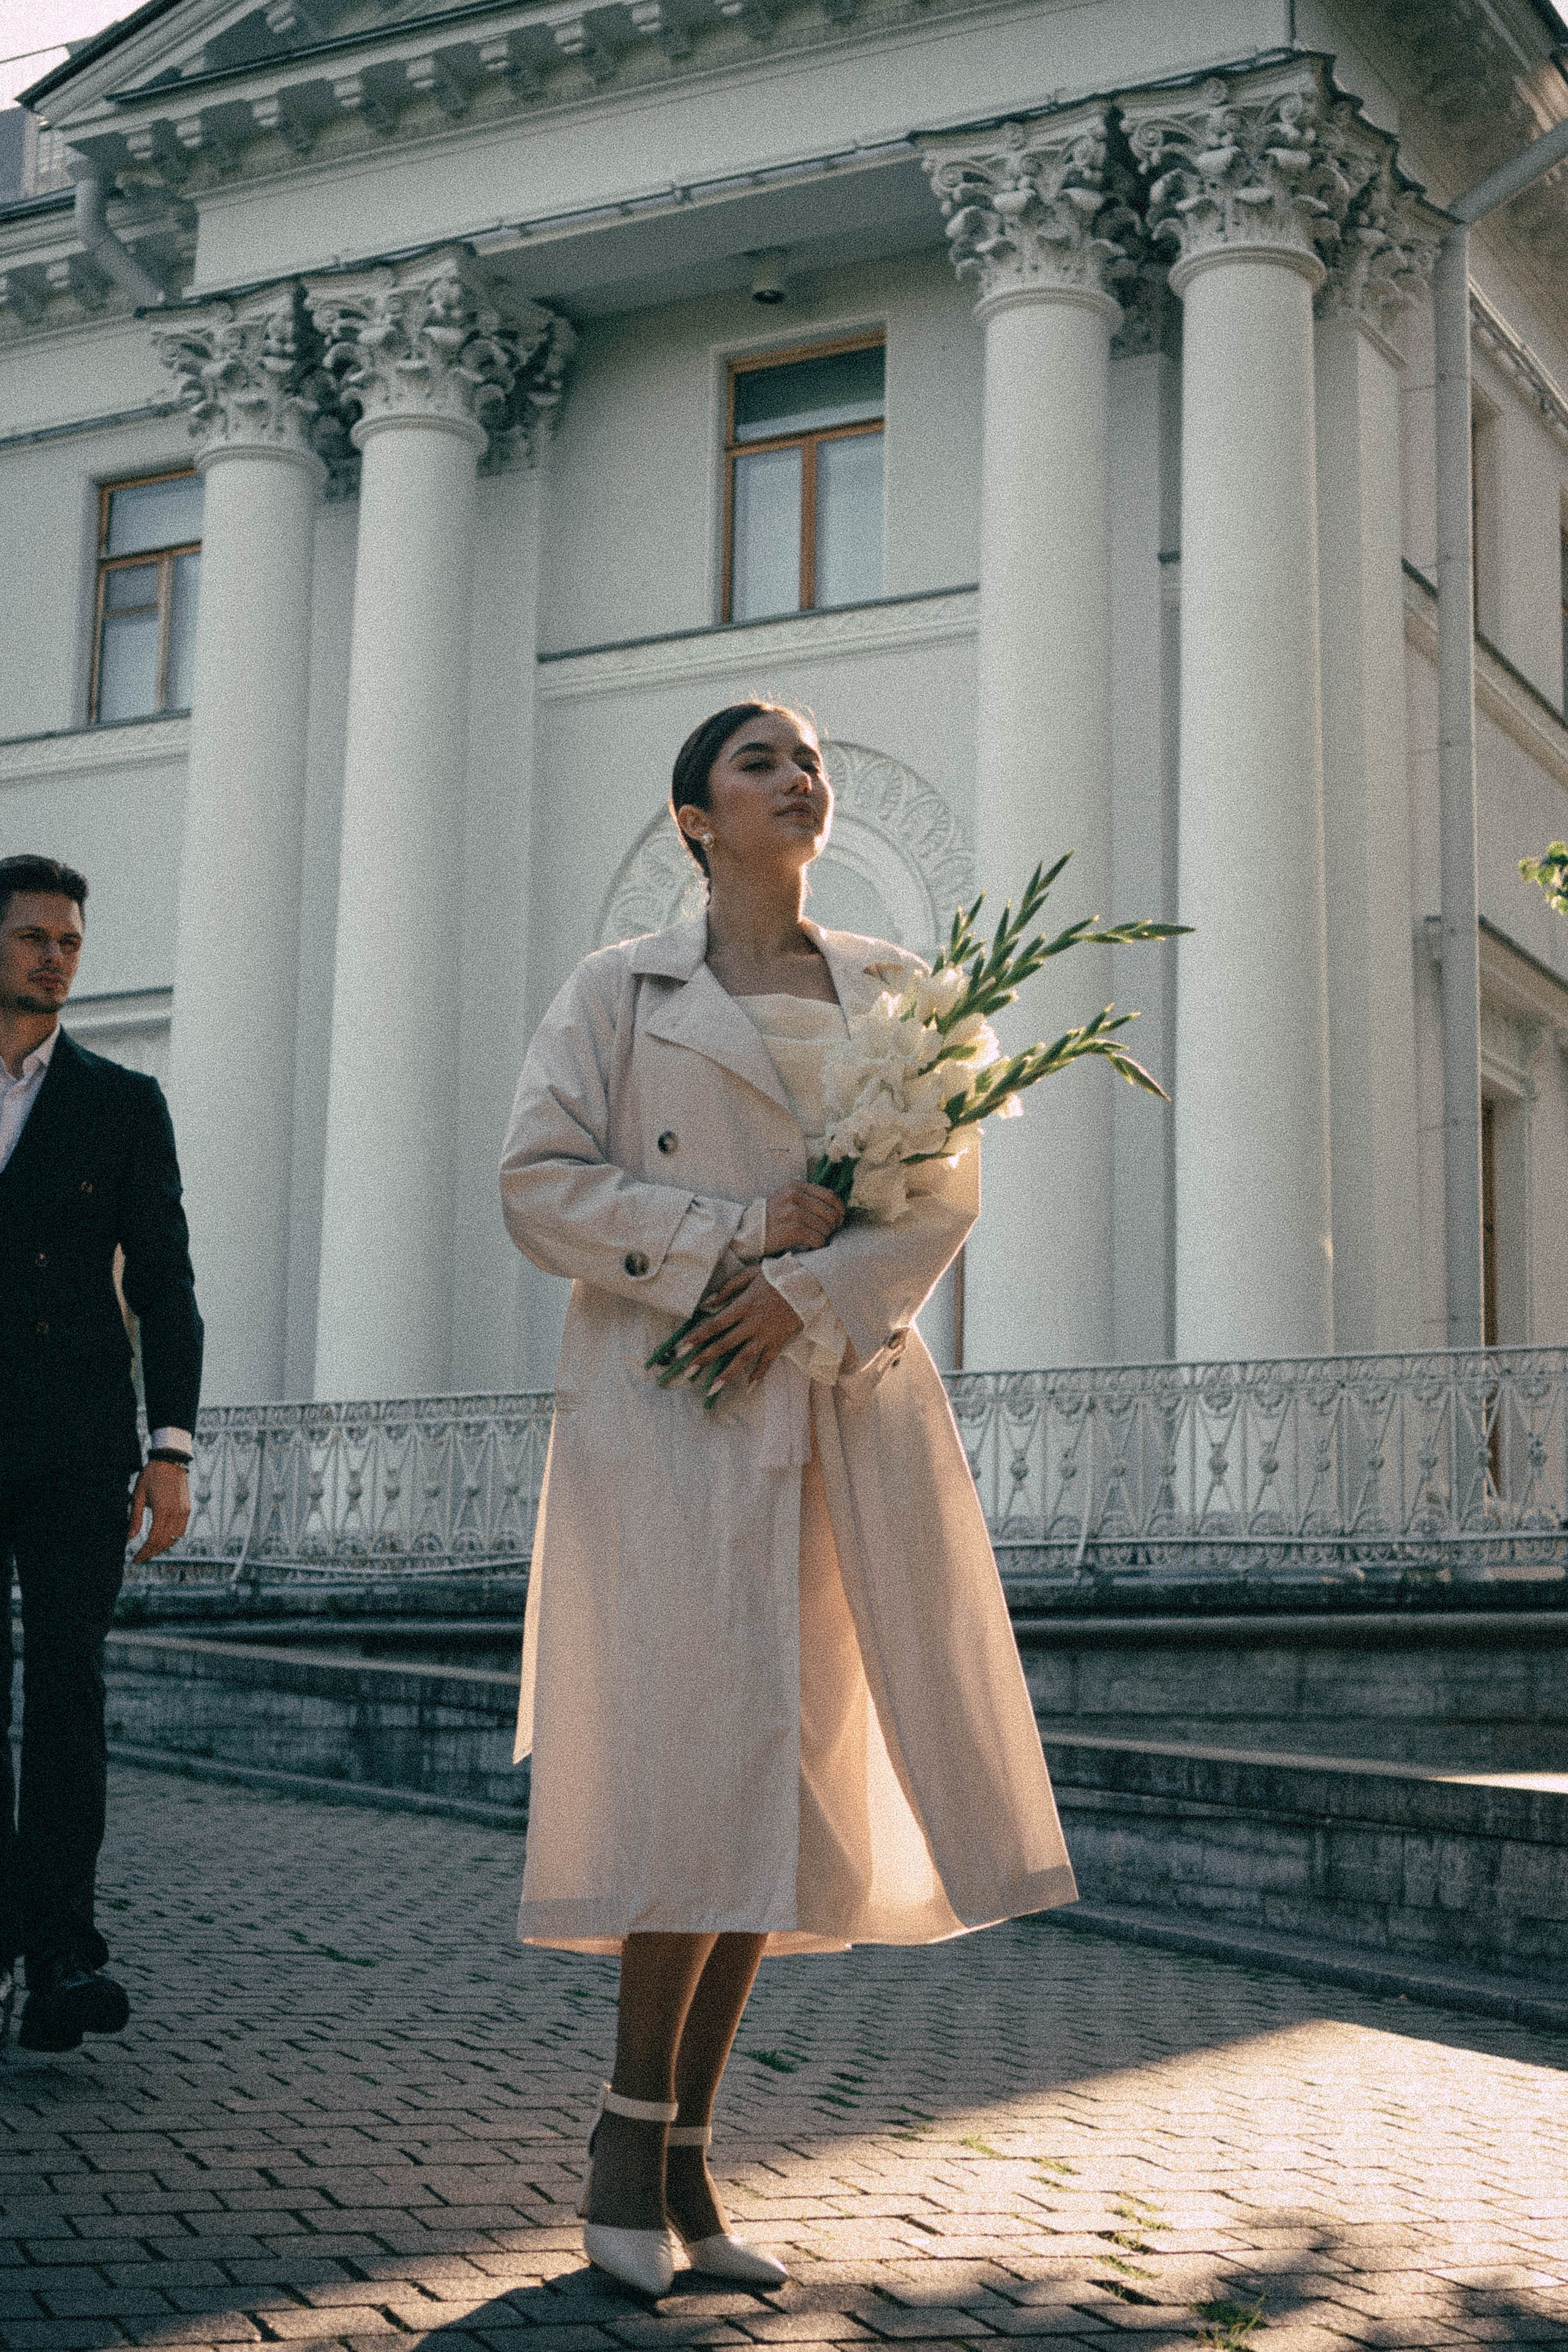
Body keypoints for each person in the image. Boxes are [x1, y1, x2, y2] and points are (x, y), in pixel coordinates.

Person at [499, 705, 1075, 2298]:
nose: (798, 775)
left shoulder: (899, 990)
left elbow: (943, 1193)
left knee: (791, 1766)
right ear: (694, 816)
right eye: (760, 759)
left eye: (811, 757)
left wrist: (812, 1291)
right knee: (689, 1761)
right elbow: (537, 1183)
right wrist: (726, 1239)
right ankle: (629, 2136)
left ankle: (688, 2157)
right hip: (672, 1417)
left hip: (833, 1401)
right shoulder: (619, 993)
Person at [0, 854, 203, 2054]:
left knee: (68, 1696)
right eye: (31, 936)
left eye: (69, 939)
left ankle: (62, 1952)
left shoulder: (122, 1105)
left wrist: (168, 1446)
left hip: (79, 1447)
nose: (54, 956)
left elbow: (167, 1282)